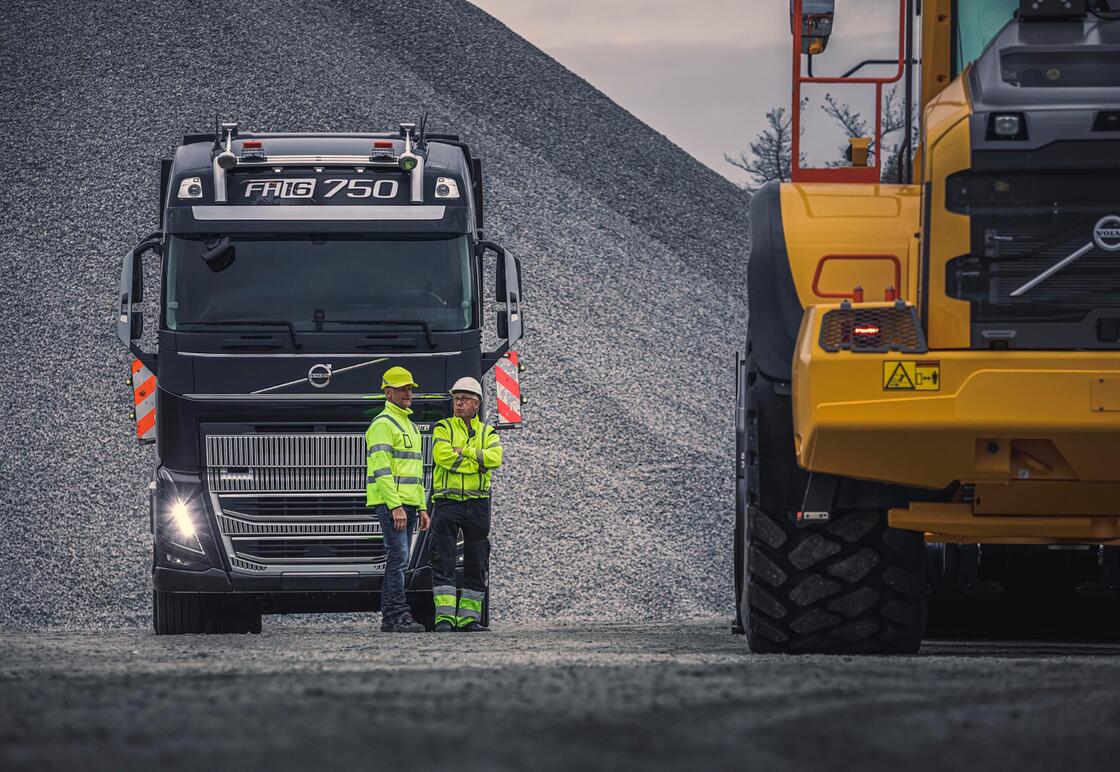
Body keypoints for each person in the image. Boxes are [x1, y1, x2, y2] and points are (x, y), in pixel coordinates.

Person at [429, 376, 503, 632]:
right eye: (456, 399)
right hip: (447, 503)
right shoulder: (443, 428)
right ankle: (444, 619)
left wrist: (465, 451)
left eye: (464, 400)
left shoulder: (488, 432)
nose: (458, 404)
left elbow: (495, 458)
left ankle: (468, 619)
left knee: (477, 561)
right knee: (443, 559)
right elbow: (442, 457)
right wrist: (477, 464)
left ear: (476, 404)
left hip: (477, 504)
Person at [366, 366, 431, 633]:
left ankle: (394, 616)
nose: (409, 393)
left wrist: (423, 507)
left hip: (409, 506)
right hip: (393, 505)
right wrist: (395, 506)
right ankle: (394, 616)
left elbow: (414, 473)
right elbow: (382, 471)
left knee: (400, 560)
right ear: (388, 392)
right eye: (403, 389)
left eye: (410, 388)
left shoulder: (409, 425)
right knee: (398, 559)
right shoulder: (382, 425)